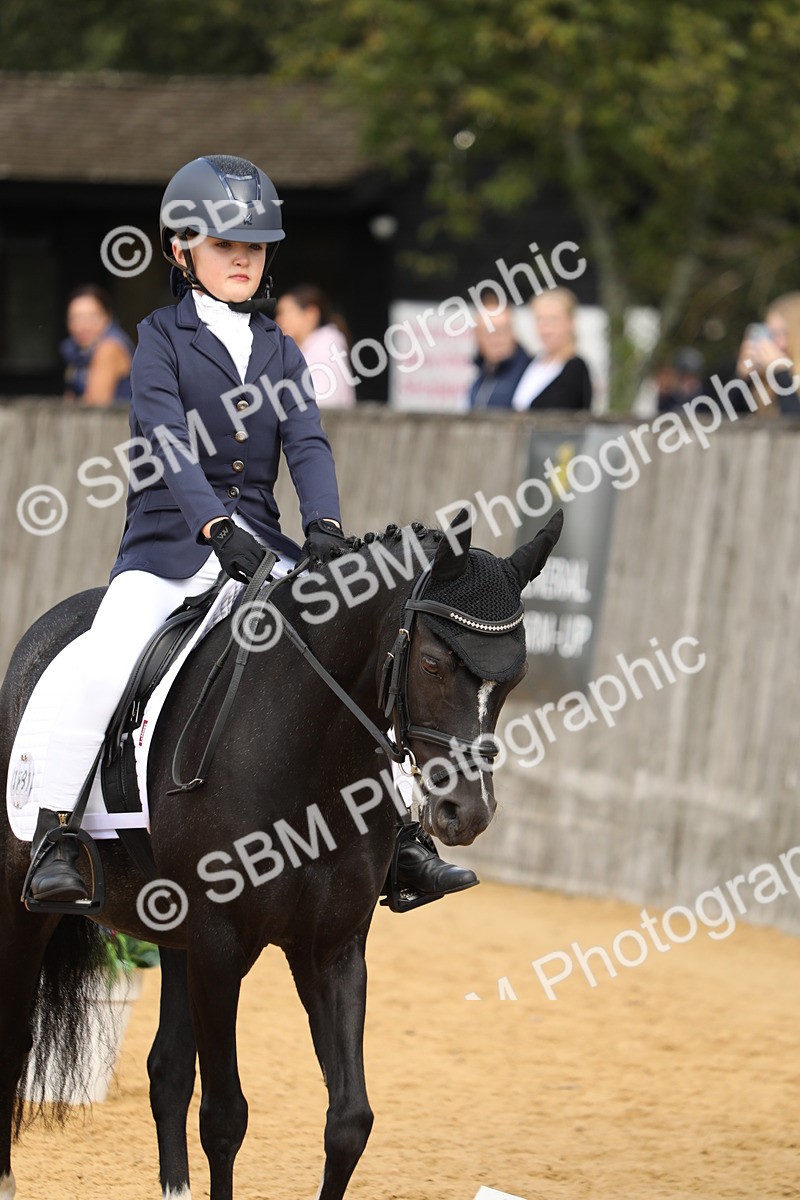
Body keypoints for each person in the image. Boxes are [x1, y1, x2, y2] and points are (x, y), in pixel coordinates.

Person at [27, 154, 474, 907]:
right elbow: (166, 442)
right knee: (102, 661)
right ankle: (60, 837)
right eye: (224, 244)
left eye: (255, 246)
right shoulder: (158, 339)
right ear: (182, 249)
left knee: (355, 663)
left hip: (268, 548)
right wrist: (212, 525)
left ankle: (399, 840)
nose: (242, 259)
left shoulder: (282, 350)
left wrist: (325, 527)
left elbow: (307, 443)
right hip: (169, 549)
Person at [511, 287, 592, 411]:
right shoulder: (532, 362)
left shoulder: (575, 368)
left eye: (553, 320)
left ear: (571, 322)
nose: (546, 329)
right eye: (540, 319)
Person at [275, 284, 356, 409]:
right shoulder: (301, 348)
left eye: (286, 312)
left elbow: (325, 399)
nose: (279, 320)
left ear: (311, 314)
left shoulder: (327, 344)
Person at [60, 284, 133, 407]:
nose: (82, 326)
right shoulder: (76, 350)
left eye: (91, 317)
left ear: (107, 317)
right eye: (75, 318)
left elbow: (94, 406)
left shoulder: (109, 348)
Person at [733, 293, 800, 416]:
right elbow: (724, 425)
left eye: (782, 334)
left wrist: (781, 374)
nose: (773, 343)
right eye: (770, 334)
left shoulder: (781, 378)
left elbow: (793, 428)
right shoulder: (766, 382)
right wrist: (744, 380)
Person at [467, 291, 531, 409]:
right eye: (488, 331)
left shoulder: (530, 373)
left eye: (502, 330)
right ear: (477, 336)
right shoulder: (482, 375)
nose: (496, 339)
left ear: (513, 332)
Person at [656, 347, 705, 413]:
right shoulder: (669, 398)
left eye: (690, 377)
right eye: (682, 377)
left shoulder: (704, 398)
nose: (686, 382)